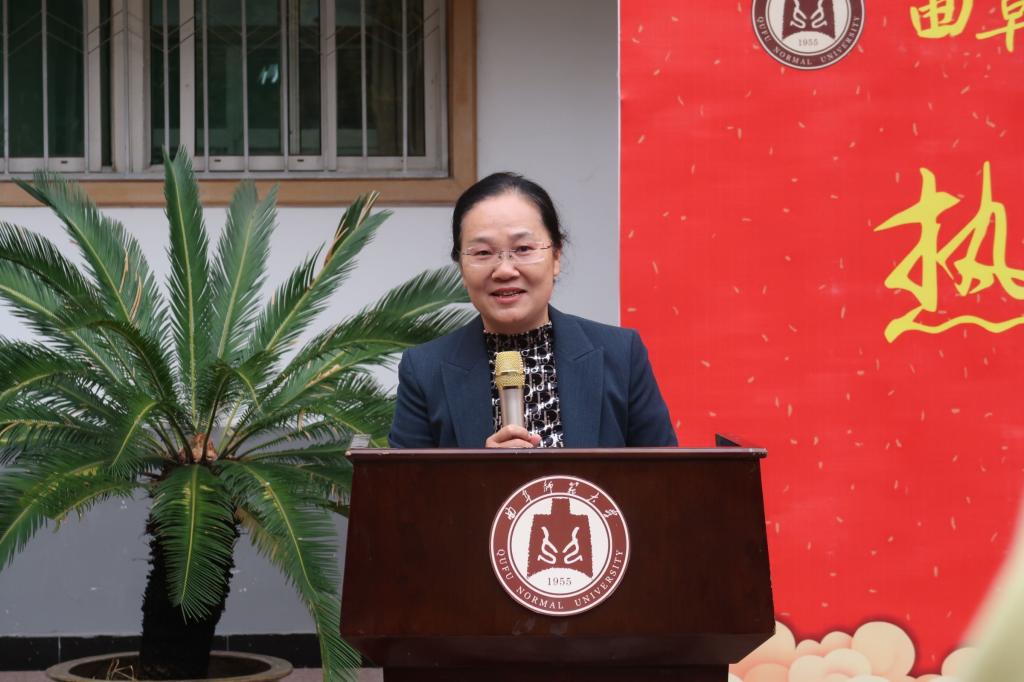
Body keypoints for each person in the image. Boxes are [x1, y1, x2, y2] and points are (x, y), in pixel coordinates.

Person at [388, 172, 677, 449]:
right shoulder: (424, 370)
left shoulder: (622, 355)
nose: (504, 270)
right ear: (461, 268)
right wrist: (478, 472)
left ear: (556, 256)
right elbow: (406, 483)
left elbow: (664, 476)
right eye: (483, 253)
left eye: (523, 249)